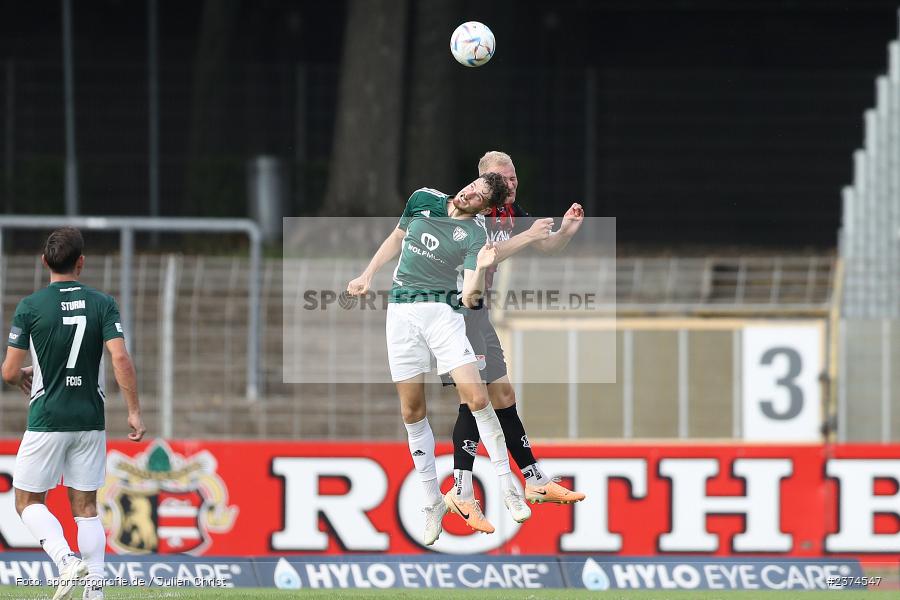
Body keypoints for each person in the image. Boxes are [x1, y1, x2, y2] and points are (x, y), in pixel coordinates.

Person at [347, 173, 530, 546]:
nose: (469, 193)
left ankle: (508, 486)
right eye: (472, 185)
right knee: (412, 411)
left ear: (485, 208)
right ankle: (433, 503)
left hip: (443, 315)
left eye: (478, 196)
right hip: (401, 313)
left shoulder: (475, 235)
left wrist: (479, 268)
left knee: (477, 398)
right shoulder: (422, 198)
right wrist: (368, 274)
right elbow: (398, 237)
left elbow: (468, 298)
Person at [443, 151, 587, 533]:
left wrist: (565, 232)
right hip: (455, 311)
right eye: (504, 181)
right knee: (474, 399)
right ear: (485, 184)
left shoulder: (508, 210)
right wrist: (527, 236)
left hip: (478, 313)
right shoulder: (470, 215)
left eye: (514, 179)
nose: (512, 186)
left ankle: (535, 481)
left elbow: (544, 245)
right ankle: (462, 487)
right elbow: (482, 257)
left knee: (503, 396)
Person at [2, 227, 146, 600]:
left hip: (48, 417)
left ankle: (65, 560)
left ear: (45, 261)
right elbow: (120, 358)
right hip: (89, 418)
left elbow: (7, 372)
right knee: (86, 508)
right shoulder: (102, 304)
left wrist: (24, 375)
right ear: (81, 262)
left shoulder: (31, 306)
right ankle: (94, 591)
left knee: (27, 501)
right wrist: (133, 411)